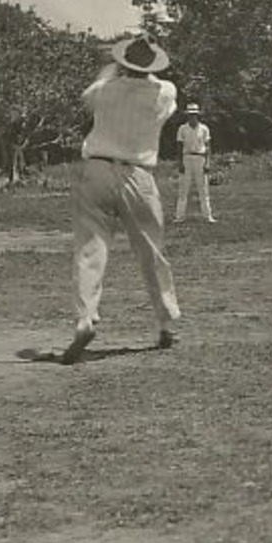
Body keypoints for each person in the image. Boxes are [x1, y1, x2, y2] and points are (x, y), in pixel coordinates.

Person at [61, 33, 183, 365]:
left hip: (97, 169)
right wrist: (142, 59)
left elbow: (90, 93)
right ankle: (164, 321)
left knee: (89, 248)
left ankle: (85, 317)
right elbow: (161, 89)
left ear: (123, 64)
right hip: (137, 174)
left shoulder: (104, 90)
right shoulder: (163, 92)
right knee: (151, 250)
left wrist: (113, 65)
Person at [175, 103, 216, 223]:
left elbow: (208, 147)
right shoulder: (182, 128)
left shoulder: (204, 128)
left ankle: (207, 216)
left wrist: (207, 163)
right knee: (183, 189)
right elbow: (179, 147)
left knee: (203, 188)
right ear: (187, 115)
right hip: (187, 158)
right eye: (190, 114)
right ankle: (179, 217)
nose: (192, 117)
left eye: (194, 114)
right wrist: (180, 163)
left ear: (197, 115)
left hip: (200, 158)